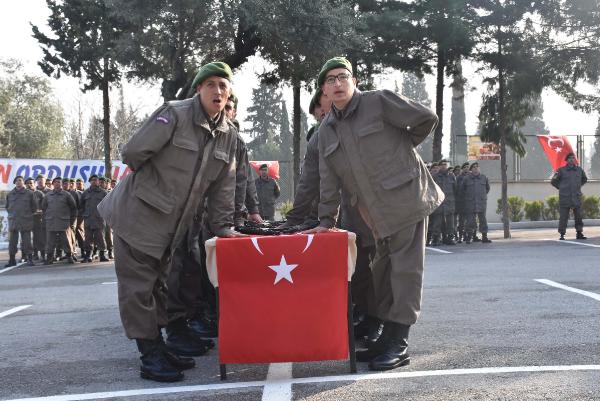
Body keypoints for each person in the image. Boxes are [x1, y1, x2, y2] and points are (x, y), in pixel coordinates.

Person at [97, 61, 242, 383]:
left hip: (172, 227)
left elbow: (224, 187)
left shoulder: (228, 134)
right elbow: (133, 153)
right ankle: (149, 356)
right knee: (139, 288)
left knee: (158, 285)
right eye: (210, 84)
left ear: (229, 91)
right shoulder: (174, 114)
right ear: (198, 89)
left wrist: (223, 227)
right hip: (138, 216)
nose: (217, 91)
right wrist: (157, 187)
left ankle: (158, 345)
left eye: (223, 85)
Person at [305, 57, 443, 371]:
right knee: (382, 273)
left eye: (343, 76)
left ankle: (399, 342)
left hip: (406, 199)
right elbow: (328, 180)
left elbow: (426, 118)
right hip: (374, 213)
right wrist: (326, 221)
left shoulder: (379, 102)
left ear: (353, 81)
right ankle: (387, 336)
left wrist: (402, 147)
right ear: (324, 90)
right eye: (330, 80)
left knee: (404, 272)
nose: (338, 84)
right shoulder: (326, 132)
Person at [551, 152, 588, 240]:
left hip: (576, 196)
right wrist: (561, 187)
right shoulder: (561, 170)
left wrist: (578, 186)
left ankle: (579, 233)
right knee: (563, 217)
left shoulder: (579, 170)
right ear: (566, 160)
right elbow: (553, 181)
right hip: (565, 197)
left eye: (573, 158)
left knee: (578, 216)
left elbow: (584, 179)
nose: (572, 159)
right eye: (570, 158)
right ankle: (562, 234)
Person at [41, 177, 77, 265]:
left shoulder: (67, 195)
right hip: (51, 222)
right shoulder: (48, 195)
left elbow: (73, 208)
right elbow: (44, 208)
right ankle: (49, 258)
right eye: (56, 182)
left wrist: (71, 221)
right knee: (50, 241)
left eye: (59, 182)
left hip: (63, 222)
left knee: (66, 241)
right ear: (53, 184)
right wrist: (47, 219)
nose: (57, 183)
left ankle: (69, 256)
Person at [5, 176, 36, 267]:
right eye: (17, 181)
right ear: (15, 183)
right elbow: (7, 207)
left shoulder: (29, 193)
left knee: (27, 241)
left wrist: (27, 215)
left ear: (23, 182)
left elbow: (34, 207)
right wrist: (13, 215)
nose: (18, 182)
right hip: (14, 221)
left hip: (25, 220)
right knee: (12, 242)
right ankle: (12, 260)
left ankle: (30, 259)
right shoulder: (10, 194)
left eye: (20, 180)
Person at [460, 162, 491, 244]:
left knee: (483, 220)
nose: (476, 168)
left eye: (477, 167)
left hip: (481, 202)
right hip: (470, 203)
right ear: (471, 169)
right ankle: (469, 237)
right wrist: (468, 197)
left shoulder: (484, 177)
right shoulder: (467, 178)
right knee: (470, 221)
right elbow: (462, 190)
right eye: (474, 167)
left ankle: (484, 237)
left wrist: (481, 196)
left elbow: (487, 189)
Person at [80, 175, 108, 262]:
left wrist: (103, 214)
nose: (94, 181)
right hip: (88, 219)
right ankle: (88, 255)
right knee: (88, 238)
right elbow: (81, 205)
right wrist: (84, 214)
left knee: (100, 237)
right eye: (92, 180)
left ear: (98, 181)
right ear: (90, 181)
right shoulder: (85, 193)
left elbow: (108, 205)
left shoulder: (103, 192)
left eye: (96, 180)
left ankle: (102, 255)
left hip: (99, 218)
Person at [430, 160, 457, 246]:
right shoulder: (435, 176)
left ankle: (449, 238)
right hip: (439, 203)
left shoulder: (451, 176)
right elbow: (431, 189)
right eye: (442, 165)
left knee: (450, 223)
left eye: (445, 164)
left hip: (449, 203)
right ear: (439, 166)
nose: (444, 166)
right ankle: (436, 239)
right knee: (437, 223)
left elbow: (455, 189)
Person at [32, 174, 50, 260]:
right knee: (36, 237)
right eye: (38, 180)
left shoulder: (50, 191)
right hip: (35, 218)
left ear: (45, 181)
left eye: (42, 180)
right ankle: (35, 253)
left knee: (46, 237)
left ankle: (45, 254)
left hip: (47, 217)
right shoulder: (33, 192)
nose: (40, 181)